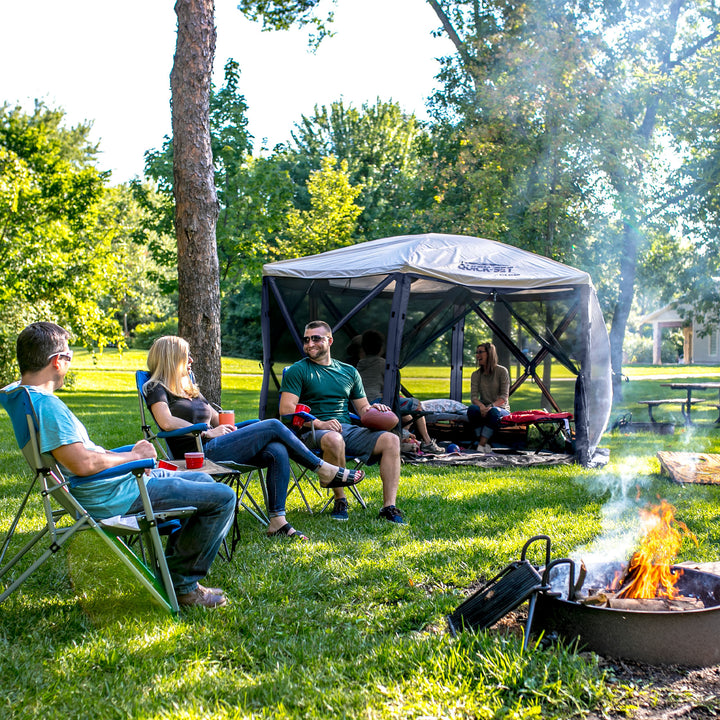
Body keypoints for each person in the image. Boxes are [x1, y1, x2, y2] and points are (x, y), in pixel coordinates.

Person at [13, 322, 233, 609]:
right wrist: (133, 458)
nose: (68, 363)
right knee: (223, 498)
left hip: (113, 484)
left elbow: (85, 456)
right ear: (56, 361)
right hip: (115, 495)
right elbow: (84, 463)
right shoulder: (48, 407)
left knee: (203, 482)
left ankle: (172, 574)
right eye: (68, 356)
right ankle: (181, 587)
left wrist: (132, 454)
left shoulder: (26, 397)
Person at [144, 336, 364, 541]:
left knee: (276, 448)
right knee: (274, 425)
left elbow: (218, 421)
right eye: (186, 356)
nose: (191, 360)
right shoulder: (156, 387)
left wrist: (228, 426)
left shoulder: (189, 389)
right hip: (198, 455)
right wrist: (205, 432)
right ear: (171, 358)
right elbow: (166, 422)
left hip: (216, 445)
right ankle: (323, 469)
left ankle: (277, 521)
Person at [279, 320, 405, 524]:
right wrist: (320, 423)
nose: (310, 344)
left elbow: (363, 409)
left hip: (346, 428)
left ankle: (388, 506)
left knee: (391, 440)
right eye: (306, 340)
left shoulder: (349, 371)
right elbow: (286, 410)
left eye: (316, 338)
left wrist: (375, 409)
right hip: (310, 431)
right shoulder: (298, 370)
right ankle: (340, 500)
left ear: (329, 341)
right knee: (334, 438)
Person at [356, 330, 444, 454]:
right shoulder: (383, 364)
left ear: (364, 347)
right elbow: (396, 389)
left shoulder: (360, 364)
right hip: (377, 403)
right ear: (381, 347)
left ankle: (403, 436)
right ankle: (427, 442)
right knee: (416, 404)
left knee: (406, 417)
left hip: (362, 403)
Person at [467, 342, 511, 453]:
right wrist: (481, 406)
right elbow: (474, 397)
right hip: (483, 408)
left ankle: (480, 445)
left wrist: (491, 406)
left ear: (490, 354)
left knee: (494, 412)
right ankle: (484, 443)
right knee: (472, 409)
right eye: (476, 353)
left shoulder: (502, 371)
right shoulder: (475, 375)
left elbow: (504, 397)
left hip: (500, 409)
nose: (477, 356)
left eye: (480, 352)